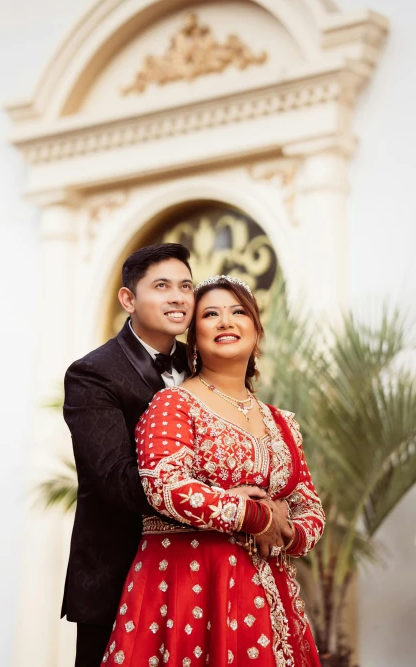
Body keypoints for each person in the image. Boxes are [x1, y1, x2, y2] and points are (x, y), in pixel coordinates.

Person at [102, 275, 325, 667]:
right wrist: (256, 516)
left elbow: (310, 508)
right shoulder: (173, 403)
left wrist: (285, 531)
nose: (226, 321)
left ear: (257, 331)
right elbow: (165, 486)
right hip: (188, 589)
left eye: (239, 312)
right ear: (194, 335)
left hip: (271, 596)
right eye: (210, 314)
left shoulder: (282, 422)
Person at [62, 247, 267, 667]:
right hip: (118, 571)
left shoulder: (203, 364)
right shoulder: (93, 374)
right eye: (162, 286)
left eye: (186, 287)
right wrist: (225, 501)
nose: (178, 298)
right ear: (128, 300)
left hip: (198, 572)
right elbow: (116, 478)